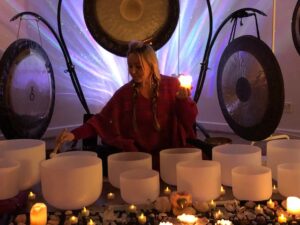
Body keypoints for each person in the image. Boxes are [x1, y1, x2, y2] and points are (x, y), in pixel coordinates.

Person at [54, 41, 198, 173]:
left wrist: (182, 101)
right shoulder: (124, 94)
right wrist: (73, 135)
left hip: (172, 158)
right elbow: (100, 121)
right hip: (139, 161)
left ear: (151, 65)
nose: (133, 71)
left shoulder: (172, 85)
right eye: (130, 66)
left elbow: (189, 120)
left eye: (138, 67)